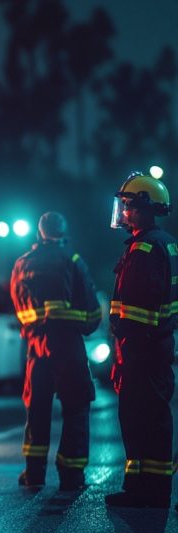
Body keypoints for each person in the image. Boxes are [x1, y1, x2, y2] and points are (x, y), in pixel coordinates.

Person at [10, 211, 101, 491]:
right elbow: (91, 313)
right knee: (76, 406)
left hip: (37, 349)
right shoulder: (72, 261)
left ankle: (34, 473)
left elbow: (19, 310)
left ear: (39, 234)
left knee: (37, 409)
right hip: (68, 347)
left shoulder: (21, 264)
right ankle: (71, 476)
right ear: (63, 233)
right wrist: (82, 326)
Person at [105, 172, 178, 509]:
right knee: (151, 418)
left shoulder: (145, 247)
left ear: (144, 208)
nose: (123, 213)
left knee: (140, 418)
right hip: (153, 347)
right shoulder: (162, 242)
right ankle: (148, 487)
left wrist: (125, 338)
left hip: (141, 350)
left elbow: (139, 306)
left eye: (128, 206)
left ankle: (145, 491)